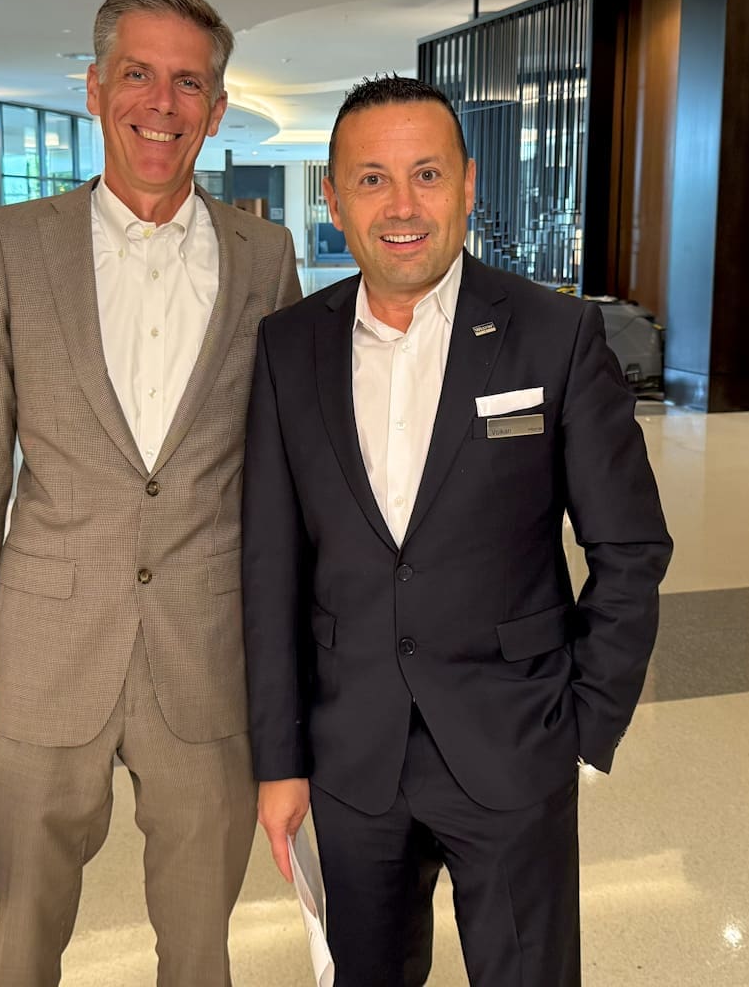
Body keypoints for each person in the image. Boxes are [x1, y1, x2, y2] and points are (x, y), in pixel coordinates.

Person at [241, 75, 671, 986]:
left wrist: (585, 728)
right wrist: (279, 761)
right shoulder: (290, 348)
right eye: (371, 179)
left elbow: (630, 548)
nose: (402, 206)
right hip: (353, 756)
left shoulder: (553, 335)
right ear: (333, 198)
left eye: (427, 174)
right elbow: (271, 570)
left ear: (469, 184)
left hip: (514, 744)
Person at [0, 0, 302, 987]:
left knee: (197, 945)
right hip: (45, 656)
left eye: (189, 82)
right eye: (138, 73)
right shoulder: (14, 244)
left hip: (207, 655)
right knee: (21, 941)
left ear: (217, 110)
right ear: (96, 88)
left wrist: (296, 684)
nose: (162, 103)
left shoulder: (265, 258)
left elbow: (282, 481)